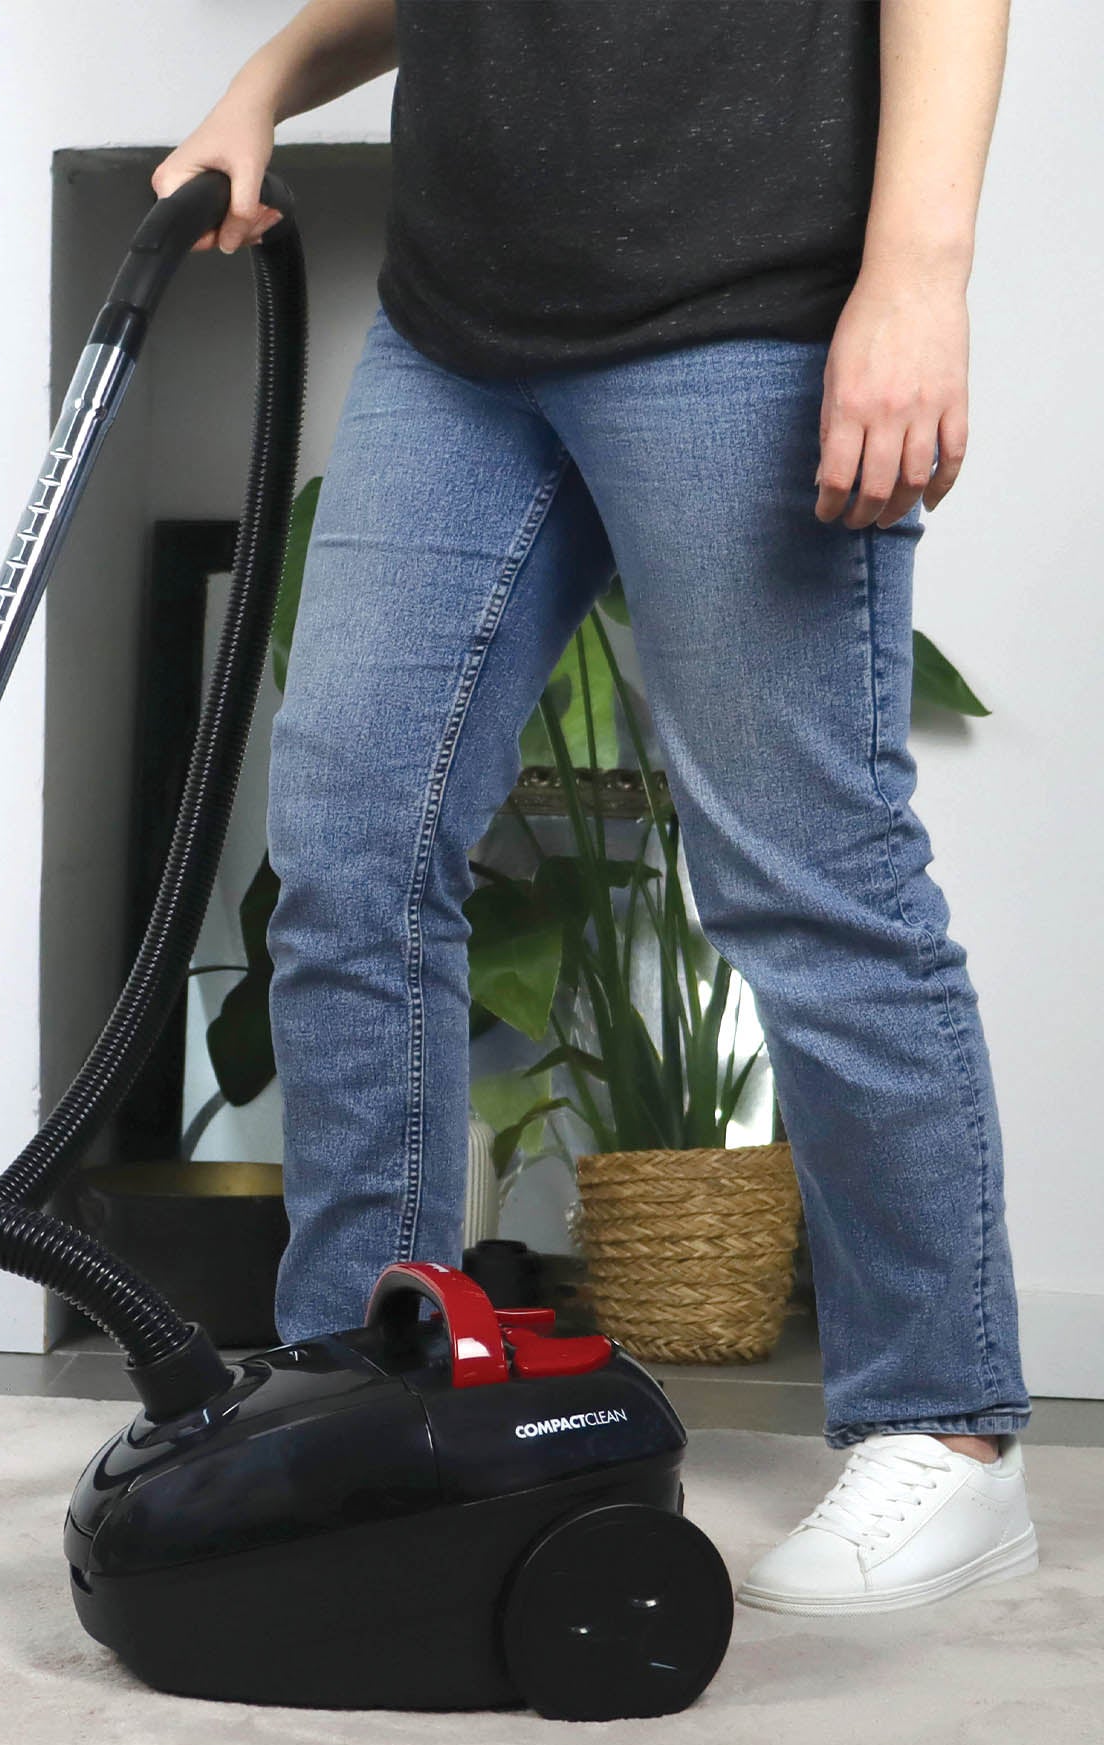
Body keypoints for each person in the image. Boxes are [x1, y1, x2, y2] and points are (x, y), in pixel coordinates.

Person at [155, 0, 1035, 1616]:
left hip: (745, 308)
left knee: (809, 879)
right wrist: (260, 85)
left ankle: (944, 1431)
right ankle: (367, 1380)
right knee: (349, 853)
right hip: (461, 333)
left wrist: (916, 275)